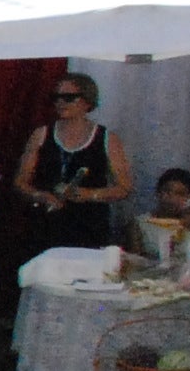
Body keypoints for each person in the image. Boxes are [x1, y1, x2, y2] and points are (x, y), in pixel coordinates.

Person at [16, 72, 132, 254]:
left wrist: (90, 194)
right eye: (56, 97)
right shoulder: (41, 134)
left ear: (87, 101)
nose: (60, 103)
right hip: (46, 226)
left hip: (89, 227)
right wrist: (40, 195)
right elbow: (21, 182)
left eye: (68, 98)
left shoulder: (107, 139)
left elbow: (124, 187)